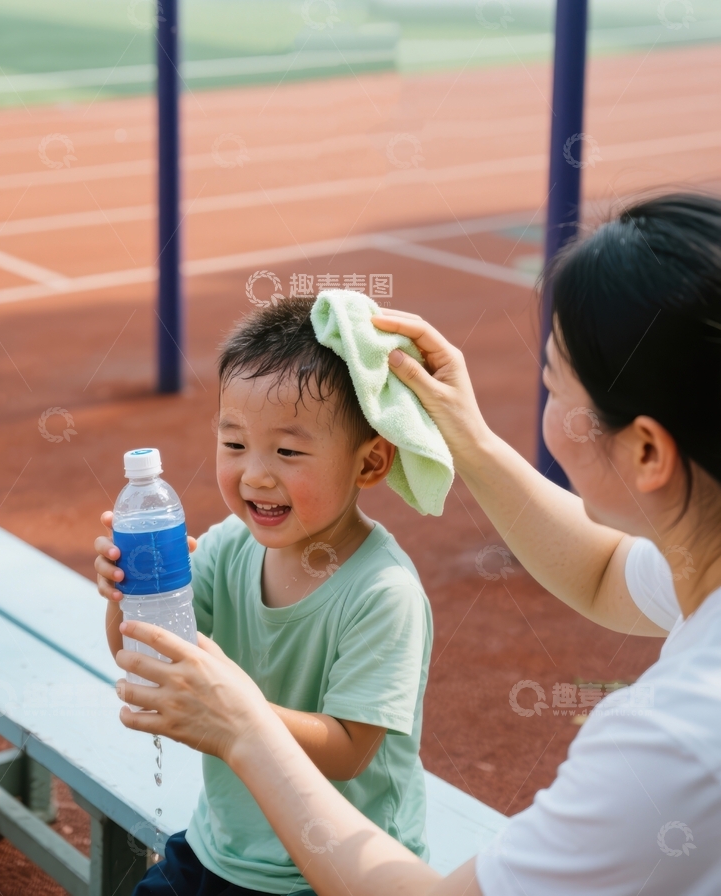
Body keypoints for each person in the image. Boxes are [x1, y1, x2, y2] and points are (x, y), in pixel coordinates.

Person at [114, 192, 721, 895]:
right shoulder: (697, 574)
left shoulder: (674, 740)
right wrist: (467, 436)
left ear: (647, 449)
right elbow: (606, 570)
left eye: (554, 383)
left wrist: (245, 725)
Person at [95, 297, 434, 896]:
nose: (255, 474)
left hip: (329, 872)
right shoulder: (228, 547)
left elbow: (349, 752)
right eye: (234, 444)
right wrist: (126, 596)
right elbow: (147, 652)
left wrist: (233, 713)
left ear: (371, 462)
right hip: (218, 849)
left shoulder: (383, 593)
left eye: (289, 451)